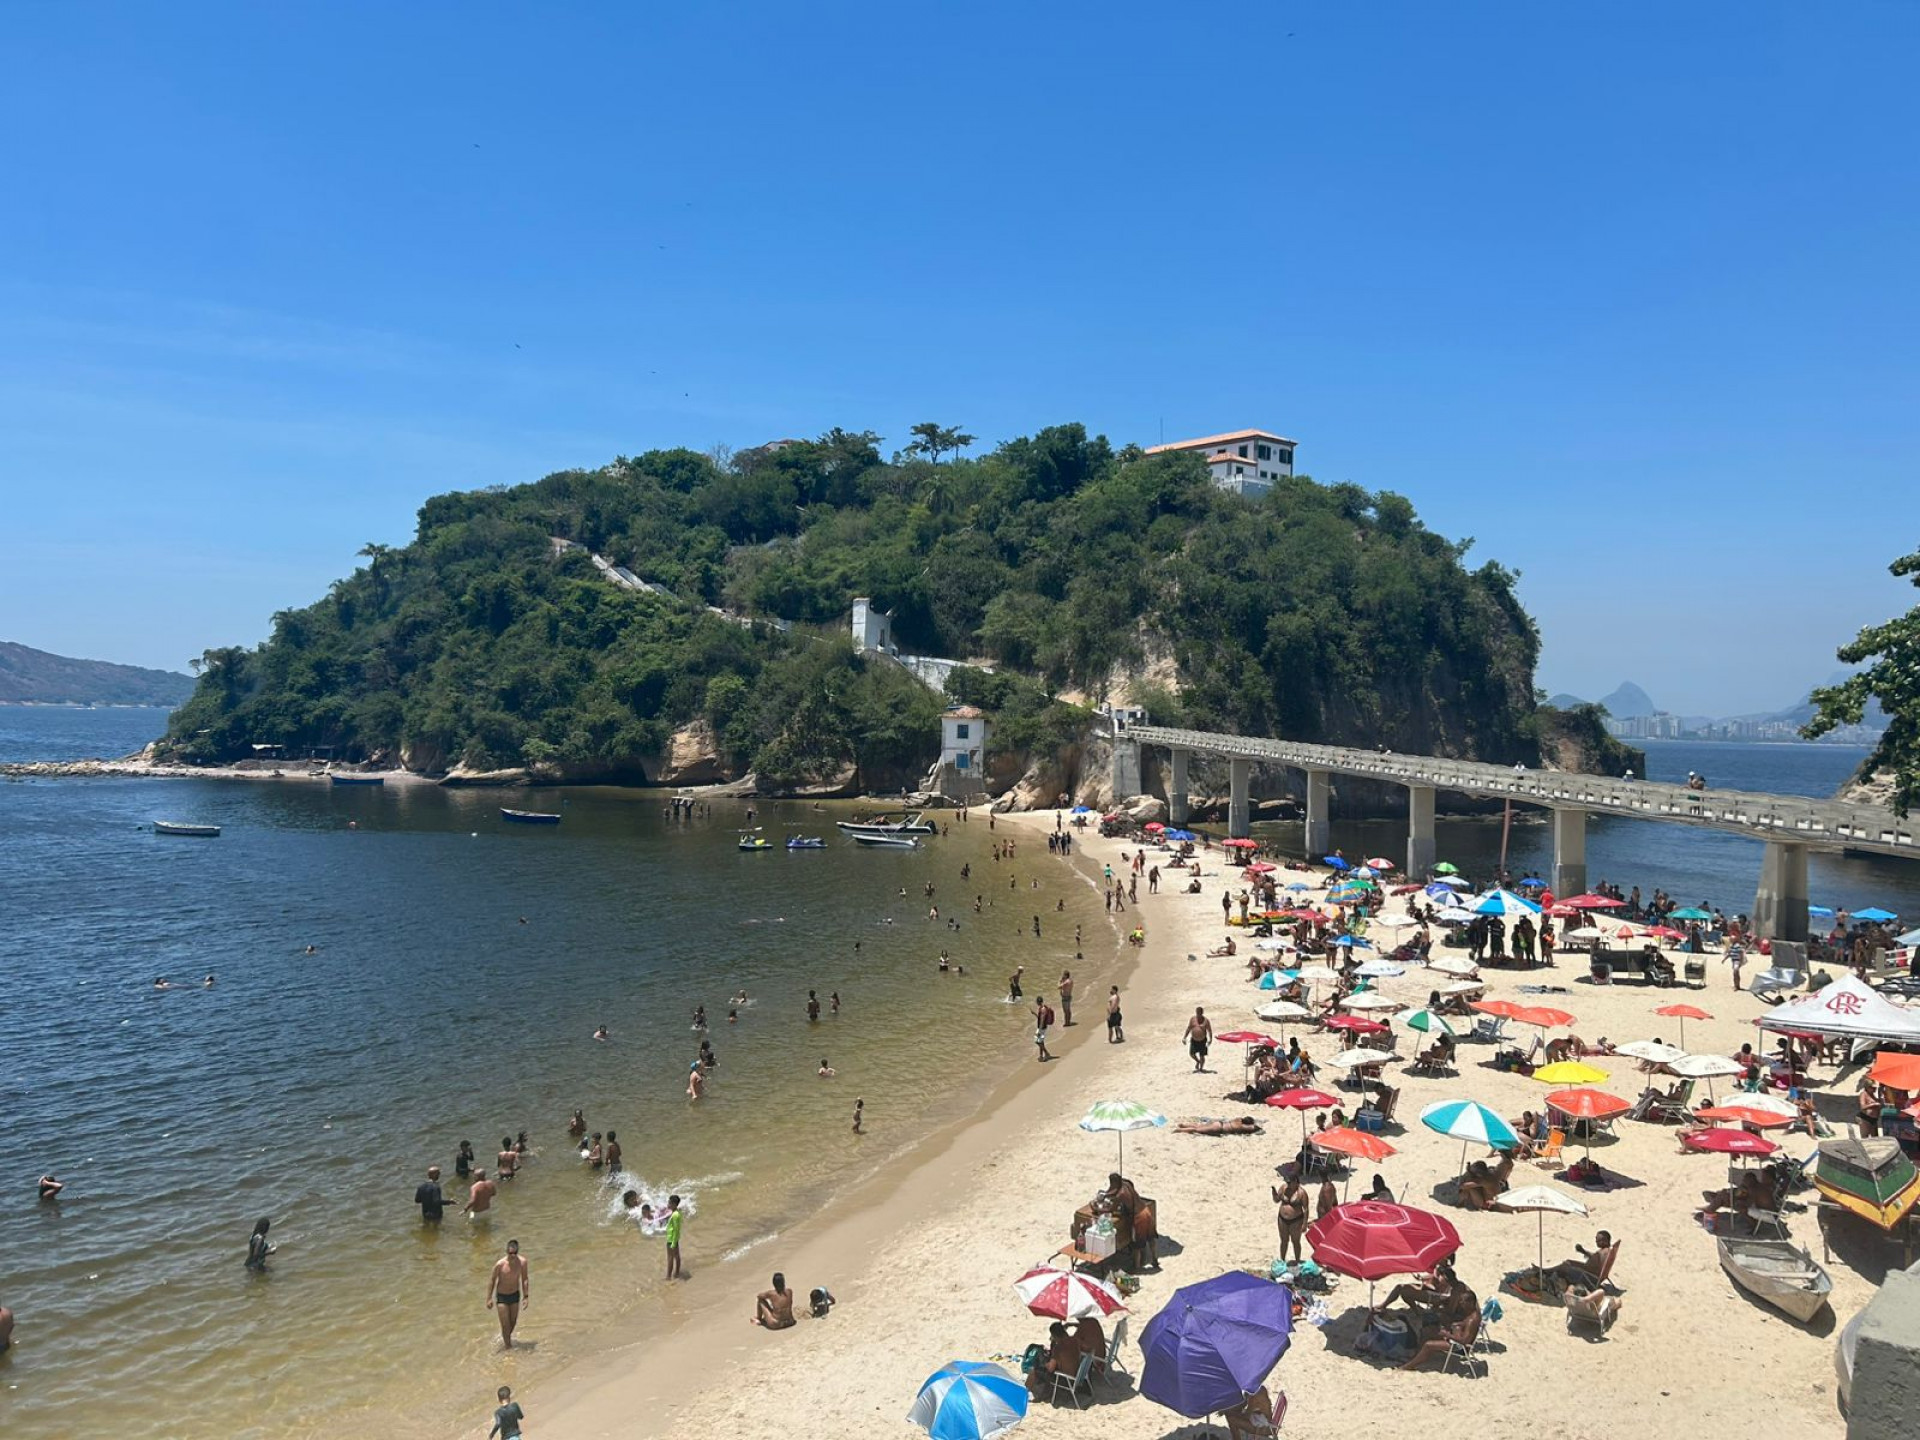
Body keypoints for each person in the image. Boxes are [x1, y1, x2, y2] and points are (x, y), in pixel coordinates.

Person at [1397, 1283, 1481, 1371]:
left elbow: (1464, 1341)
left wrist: (1447, 1335)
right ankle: (1416, 1357)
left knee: (1428, 1345)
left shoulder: (1472, 1320)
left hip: (1460, 1348)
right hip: (1455, 1338)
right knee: (1428, 1331)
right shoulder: (1469, 1313)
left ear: (1471, 1302)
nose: (1460, 1304)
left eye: (1463, 1302)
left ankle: (1408, 1366)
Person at [487, 1239, 530, 1348]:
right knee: (505, 1325)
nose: (513, 1256)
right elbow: (492, 1280)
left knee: (512, 1323)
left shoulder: (522, 1262)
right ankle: (508, 1348)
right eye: (510, 1253)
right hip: (502, 1297)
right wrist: (489, 1298)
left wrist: (526, 1297)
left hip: (515, 1295)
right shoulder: (500, 1264)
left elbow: (525, 1279)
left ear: (517, 1252)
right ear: (507, 1251)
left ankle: (505, 1339)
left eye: (515, 1253)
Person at [1026, 1320, 1079, 1398]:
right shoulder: (1074, 1341)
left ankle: (1023, 1392)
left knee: (1033, 1371)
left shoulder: (1059, 1348)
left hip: (1065, 1379)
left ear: (1055, 1336)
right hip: (1076, 1374)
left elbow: (1050, 1369)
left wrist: (1045, 1364)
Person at [1272, 1175, 1309, 1262]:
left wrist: (1304, 1224)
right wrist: (1274, 1193)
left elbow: (1306, 1209)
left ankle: (1297, 1260)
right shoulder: (1283, 1188)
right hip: (1282, 1219)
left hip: (1296, 1221)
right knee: (1284, 1241)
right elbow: (1277, 1200)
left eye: (1290, 1182)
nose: (1288, 1184)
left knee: (1295, 1242)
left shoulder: (1302, 1193)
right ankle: (1282, 1260)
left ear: (1295, 1182)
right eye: (1287, 1182)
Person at [1184, 1006, 1213, 1073]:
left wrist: (1210, 1039)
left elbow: (1209, 1030)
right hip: (1194, 1040)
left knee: (1202, 1055)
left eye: (1200, 1013)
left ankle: (1201, 1068)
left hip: (1202, 1041)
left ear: (1202, 1013)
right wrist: (1184, 1037)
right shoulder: (1192, 1019)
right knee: (1191, 1054)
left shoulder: (1206, 1021)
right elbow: (1189, 1028)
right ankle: (1198, 1061)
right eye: (1197, 1013)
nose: (1198, 1015)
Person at [664, 1195, 684, 1280]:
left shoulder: (675, 1215)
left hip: (671, 1239)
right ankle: (676, 1273)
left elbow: (676, 1229)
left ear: (674, 1204)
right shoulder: (677, 1213)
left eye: (669, 1203)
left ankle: (668, 1276)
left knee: (670, 1257)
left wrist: (673, 1242)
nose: (668, 1204)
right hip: (674, 1238)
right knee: (676, 1256)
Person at [1033, 998, 1054, 1062]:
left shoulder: (1042, 1009)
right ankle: (1041, 1056)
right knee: (1041, 1041)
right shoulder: (1044, 1008)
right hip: (1043, 1027)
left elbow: (1042, 1020)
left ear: (1037, 1002)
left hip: (1041, 1028)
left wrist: (1039, 1030)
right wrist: (1034, 1014)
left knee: (1037, 1041)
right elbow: (1040, 1018)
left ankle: (1047, 1053)